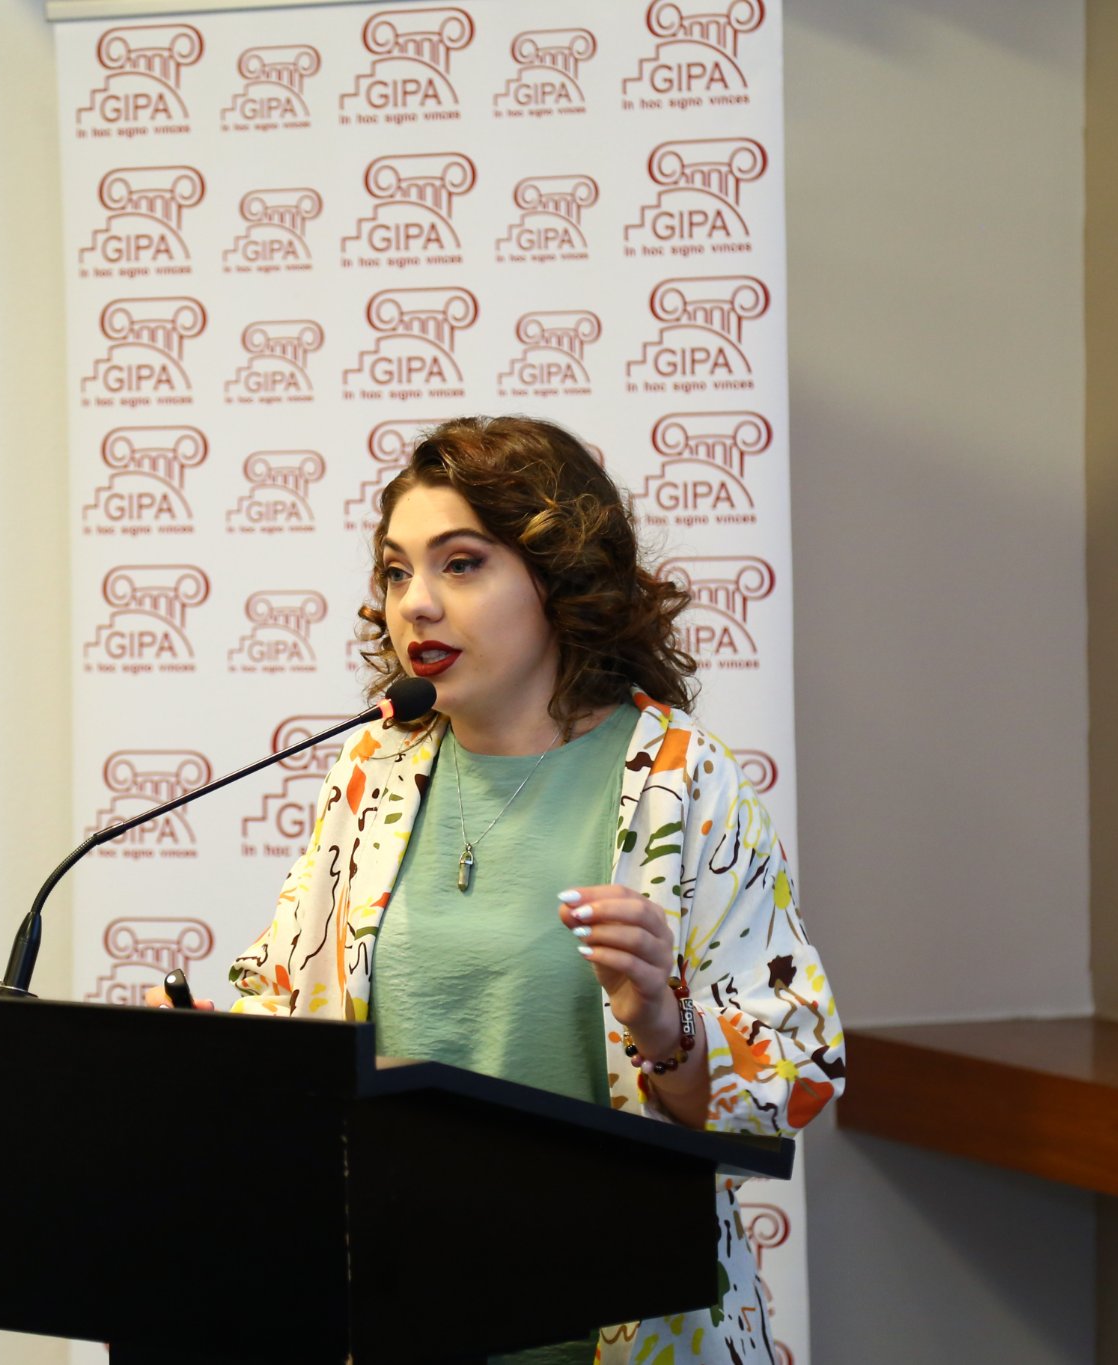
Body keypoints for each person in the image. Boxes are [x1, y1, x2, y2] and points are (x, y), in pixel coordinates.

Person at [216, 416, 845, 1365]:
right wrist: (211, 1052)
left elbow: (796, 1070)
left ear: (559, 576)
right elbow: (288, 1002)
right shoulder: (371, 769)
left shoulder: (681, 779)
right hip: (387, 1323)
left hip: (617, 1336)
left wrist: (667, 1024)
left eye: (461, 564)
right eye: (396, 571)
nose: (416, 603)